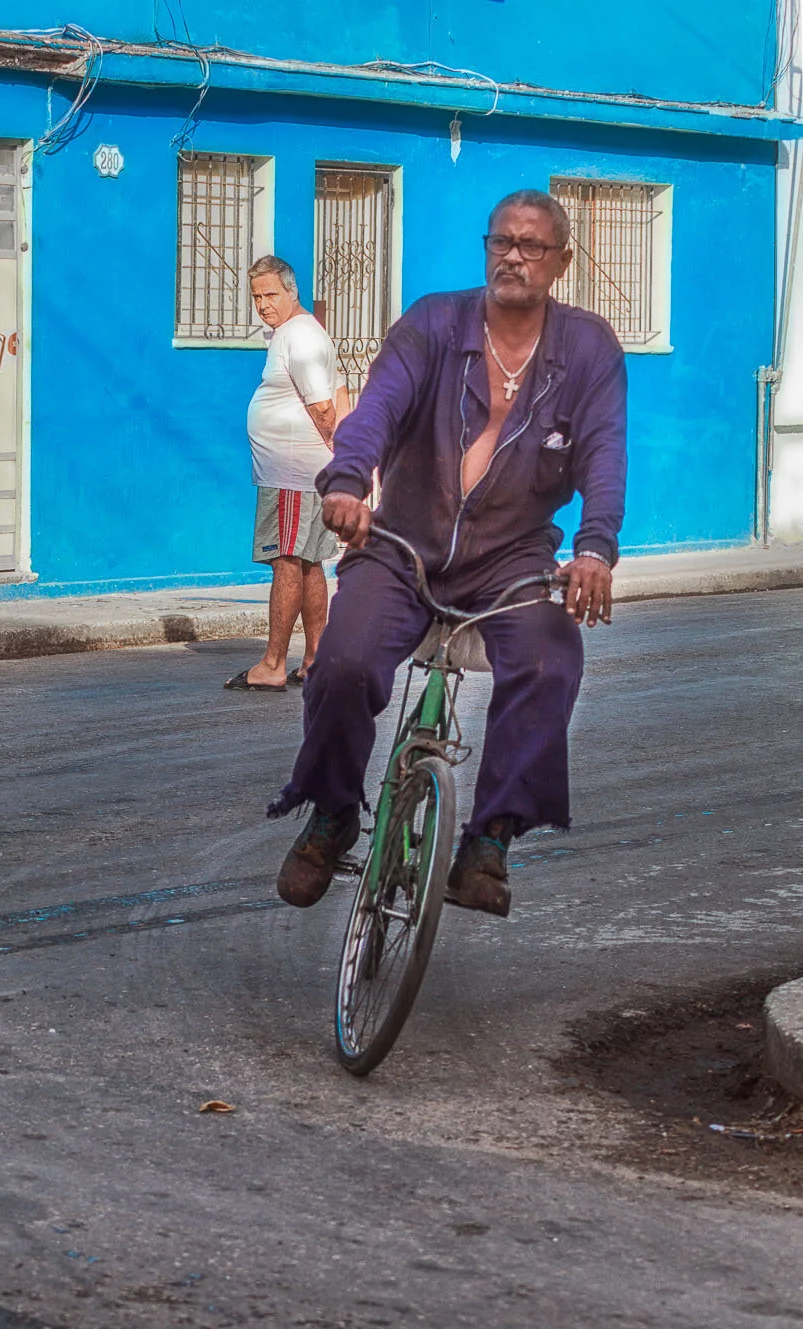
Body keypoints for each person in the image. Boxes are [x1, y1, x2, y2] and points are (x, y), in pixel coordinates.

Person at [271, 190, 626, 918]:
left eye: (531, 246)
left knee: (547, 658)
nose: (513, 257)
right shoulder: (434, 323)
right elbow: (374, 411)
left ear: (560, 262)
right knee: (339, 663)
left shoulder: (588, 348)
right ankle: (333, 811)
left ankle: (488, 838)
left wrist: (594, 547)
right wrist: (344, 482)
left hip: (512, 558)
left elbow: (604, 451)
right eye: (501, 242)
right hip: (401, 545)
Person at [224, 255, 340, 694]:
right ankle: (315, 659)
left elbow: (324, 407)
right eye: (256, 296)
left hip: (292, 473)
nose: (263, 304)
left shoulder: (301, 337)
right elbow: (340, 389)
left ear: (292, 292)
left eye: (271, 294)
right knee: (309, 563)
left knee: (287, 561)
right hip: (302, 472)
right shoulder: (305, 333)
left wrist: (339, 451)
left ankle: (273, 663)